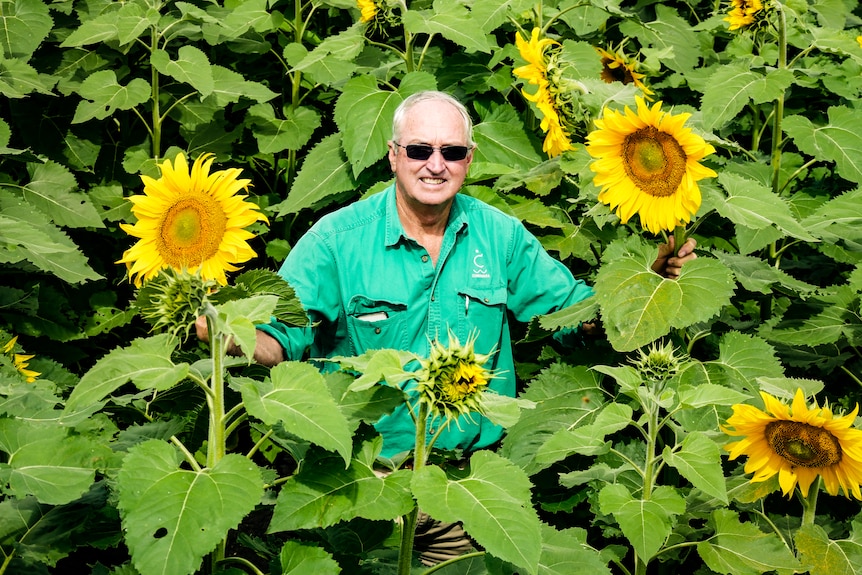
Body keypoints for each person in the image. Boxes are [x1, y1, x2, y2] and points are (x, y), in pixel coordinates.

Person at [196, 90, 696, 565]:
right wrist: (227, 333)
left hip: (466, 489)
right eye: (419, 149)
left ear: (469, 159)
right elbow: (282, 337)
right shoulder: (337, 240)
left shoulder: (499, 235)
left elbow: (571, 315)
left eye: (451, 151)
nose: (435, 165)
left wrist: (643, 288)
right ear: (393, 155)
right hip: (367, 484)